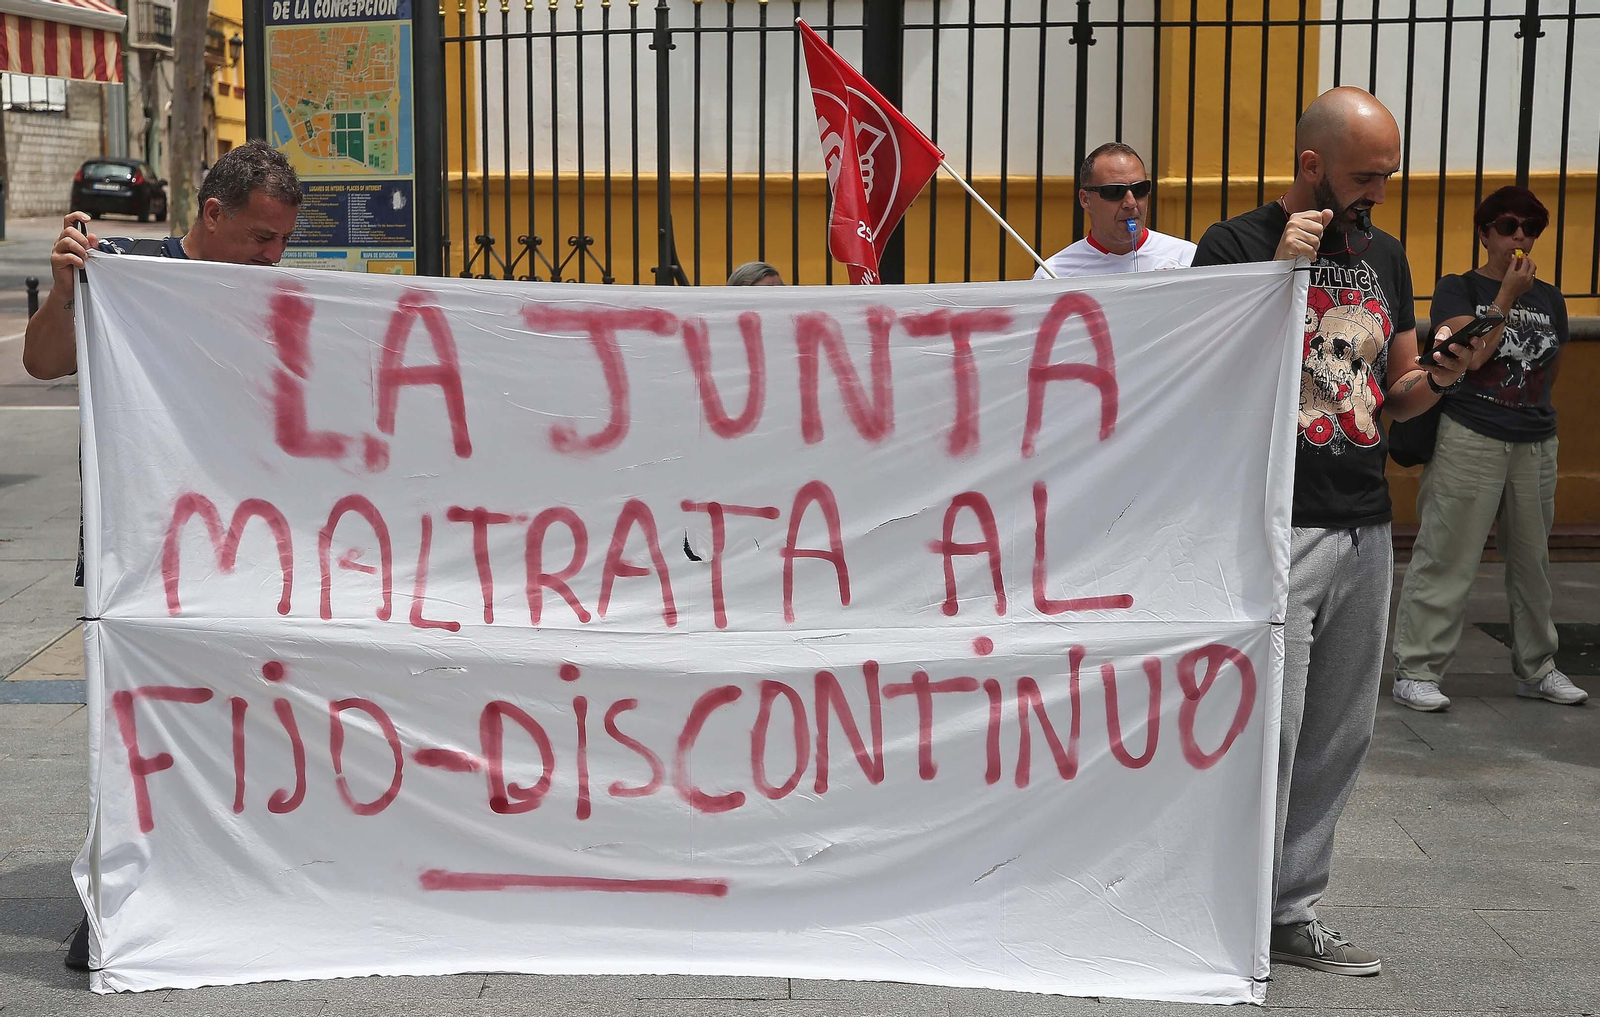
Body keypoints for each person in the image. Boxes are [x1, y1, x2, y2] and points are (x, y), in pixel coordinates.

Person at [1191, 87, 1484, 977]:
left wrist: (1446, 372)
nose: (1381, 194)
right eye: (1367, 176)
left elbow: (1393, 399)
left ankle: (1292, 908)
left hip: (1364, 524)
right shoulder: (1233, 246)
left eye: (1390, 175)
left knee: (1341, 731)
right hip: (1275, 524)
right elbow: (1216, 374)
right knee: (1266, 733)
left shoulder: (1383, 255)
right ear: (1311, 166)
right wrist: (1279, 274)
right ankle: (1228, 908)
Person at [23, 139, 302, 972]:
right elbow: (43, 361)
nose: (273, 256)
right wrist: (70, 286)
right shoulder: (125, 274)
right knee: (133, 719)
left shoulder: (278, 295)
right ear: (212, 215)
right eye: (260, 237)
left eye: (284, 240)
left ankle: (221, 876)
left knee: (227, 717)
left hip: (237, 549)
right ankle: (125, 896)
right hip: (134, 548)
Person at [1391, 188, 1584, 712]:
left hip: (1535, 441)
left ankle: (1538, 666)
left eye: (1530, 227)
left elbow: (1551, 368)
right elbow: (1468, 360)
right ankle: (1418, 669)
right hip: (1471, 434)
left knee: (1532, 561)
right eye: (1507, 225)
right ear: (1485, 233)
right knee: (1447, 555)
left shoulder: (1552, 299)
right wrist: (1505, 300)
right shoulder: (1459, 289)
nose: (1519, 236)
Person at [1033, 142, 1195, 278]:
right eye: (1114, 191)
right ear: (1085, 199)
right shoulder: (1054, 274)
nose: (1130, 203)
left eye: (1140, 189)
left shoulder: (1188, 259)